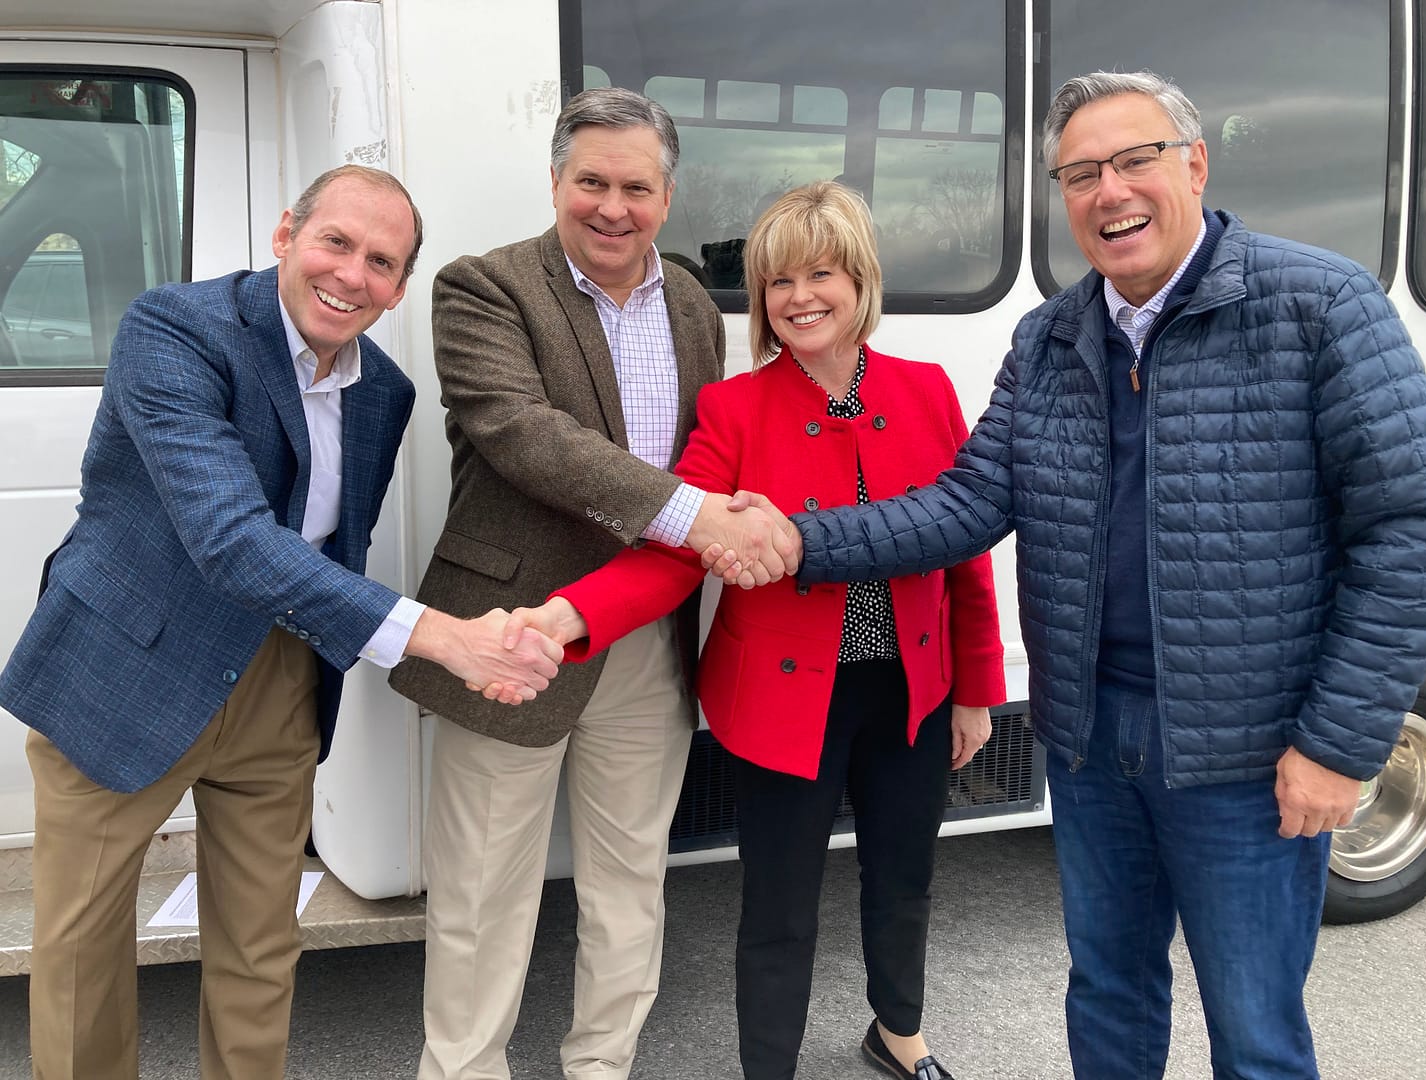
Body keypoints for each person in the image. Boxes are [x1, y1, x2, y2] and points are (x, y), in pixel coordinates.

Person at [738, 72, 1426, 1078]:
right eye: (1080, 173)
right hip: (1090, 738)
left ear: (1193, 165)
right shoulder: (1052, 336)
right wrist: (804, 543)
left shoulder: (1321, 307)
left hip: (1245, 754)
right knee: (1107, 994)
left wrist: (1338, 744)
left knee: (1255, 1031)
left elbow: (1410, 531)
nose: (1108, 191)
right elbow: (968, 504)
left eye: (1133, 160)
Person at [0, 164, 562, 1080]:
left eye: (383, 262)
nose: (352, 275)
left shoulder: (385, 390)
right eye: (336, 242)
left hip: (278, 684)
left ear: (401, 287)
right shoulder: (175, 328)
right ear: (285, 234)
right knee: (81, 956)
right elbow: (228, 538)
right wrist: (443, 638)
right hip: (125, 672)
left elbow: (337, 549)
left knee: (263, 948)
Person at [498, 180, 1007, 1080]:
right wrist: (573, 615)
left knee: (905, 878)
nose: (800, 297)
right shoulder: (733, 410)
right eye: (780, 281)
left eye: (822, 274)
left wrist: (976, 691)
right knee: (779, 902)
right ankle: (767, 1066)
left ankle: (898, 1033)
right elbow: (672, 551)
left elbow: (962, 548)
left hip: (912, 691)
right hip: (780, 698)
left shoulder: (926, 391)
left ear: (862, 284)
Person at [386, 87, 795, 1080]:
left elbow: (724, 441)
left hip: (649, 641)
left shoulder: (695, 303)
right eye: (592, 183)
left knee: (628, 887)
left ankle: (601, 1067)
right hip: (512, 636)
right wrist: (699, 518)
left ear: (668, 194)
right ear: (558, 180)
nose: (613, 208)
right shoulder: (483, 286)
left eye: (637, 188)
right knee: (484, 899)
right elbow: (527, 437)